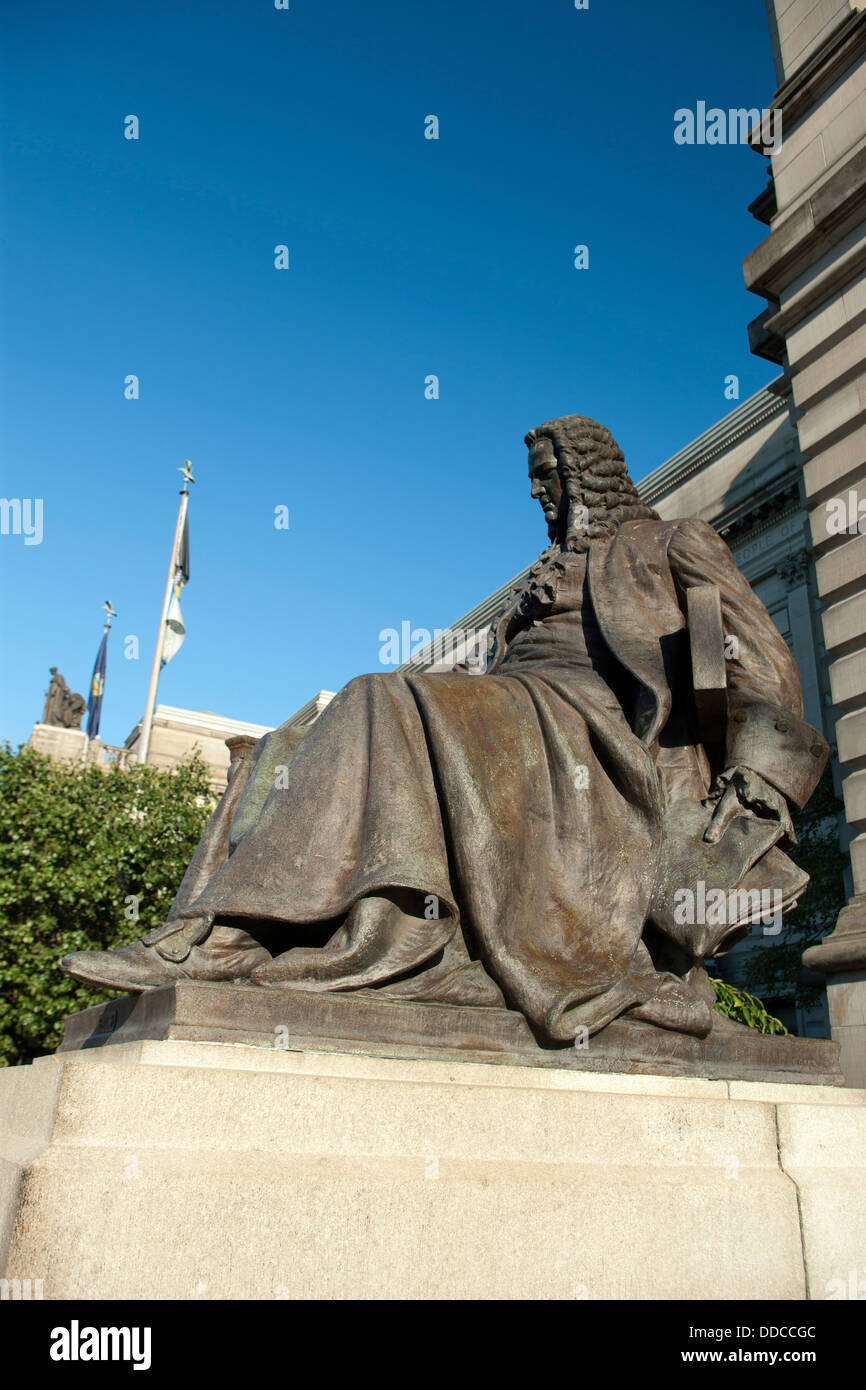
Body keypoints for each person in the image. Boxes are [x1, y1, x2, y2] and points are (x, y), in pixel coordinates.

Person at [63, 415, 828, 1043]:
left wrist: (754, 799)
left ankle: (262, 933)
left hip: (594, 738)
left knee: (379, 697)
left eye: (546, 475)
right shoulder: (543, 570)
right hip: (519, 727)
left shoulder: (668, 543)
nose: (536, 492)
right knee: (282, 748)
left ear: (586, 473)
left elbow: (765, 667)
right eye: (532, 479)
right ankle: (221, 932)